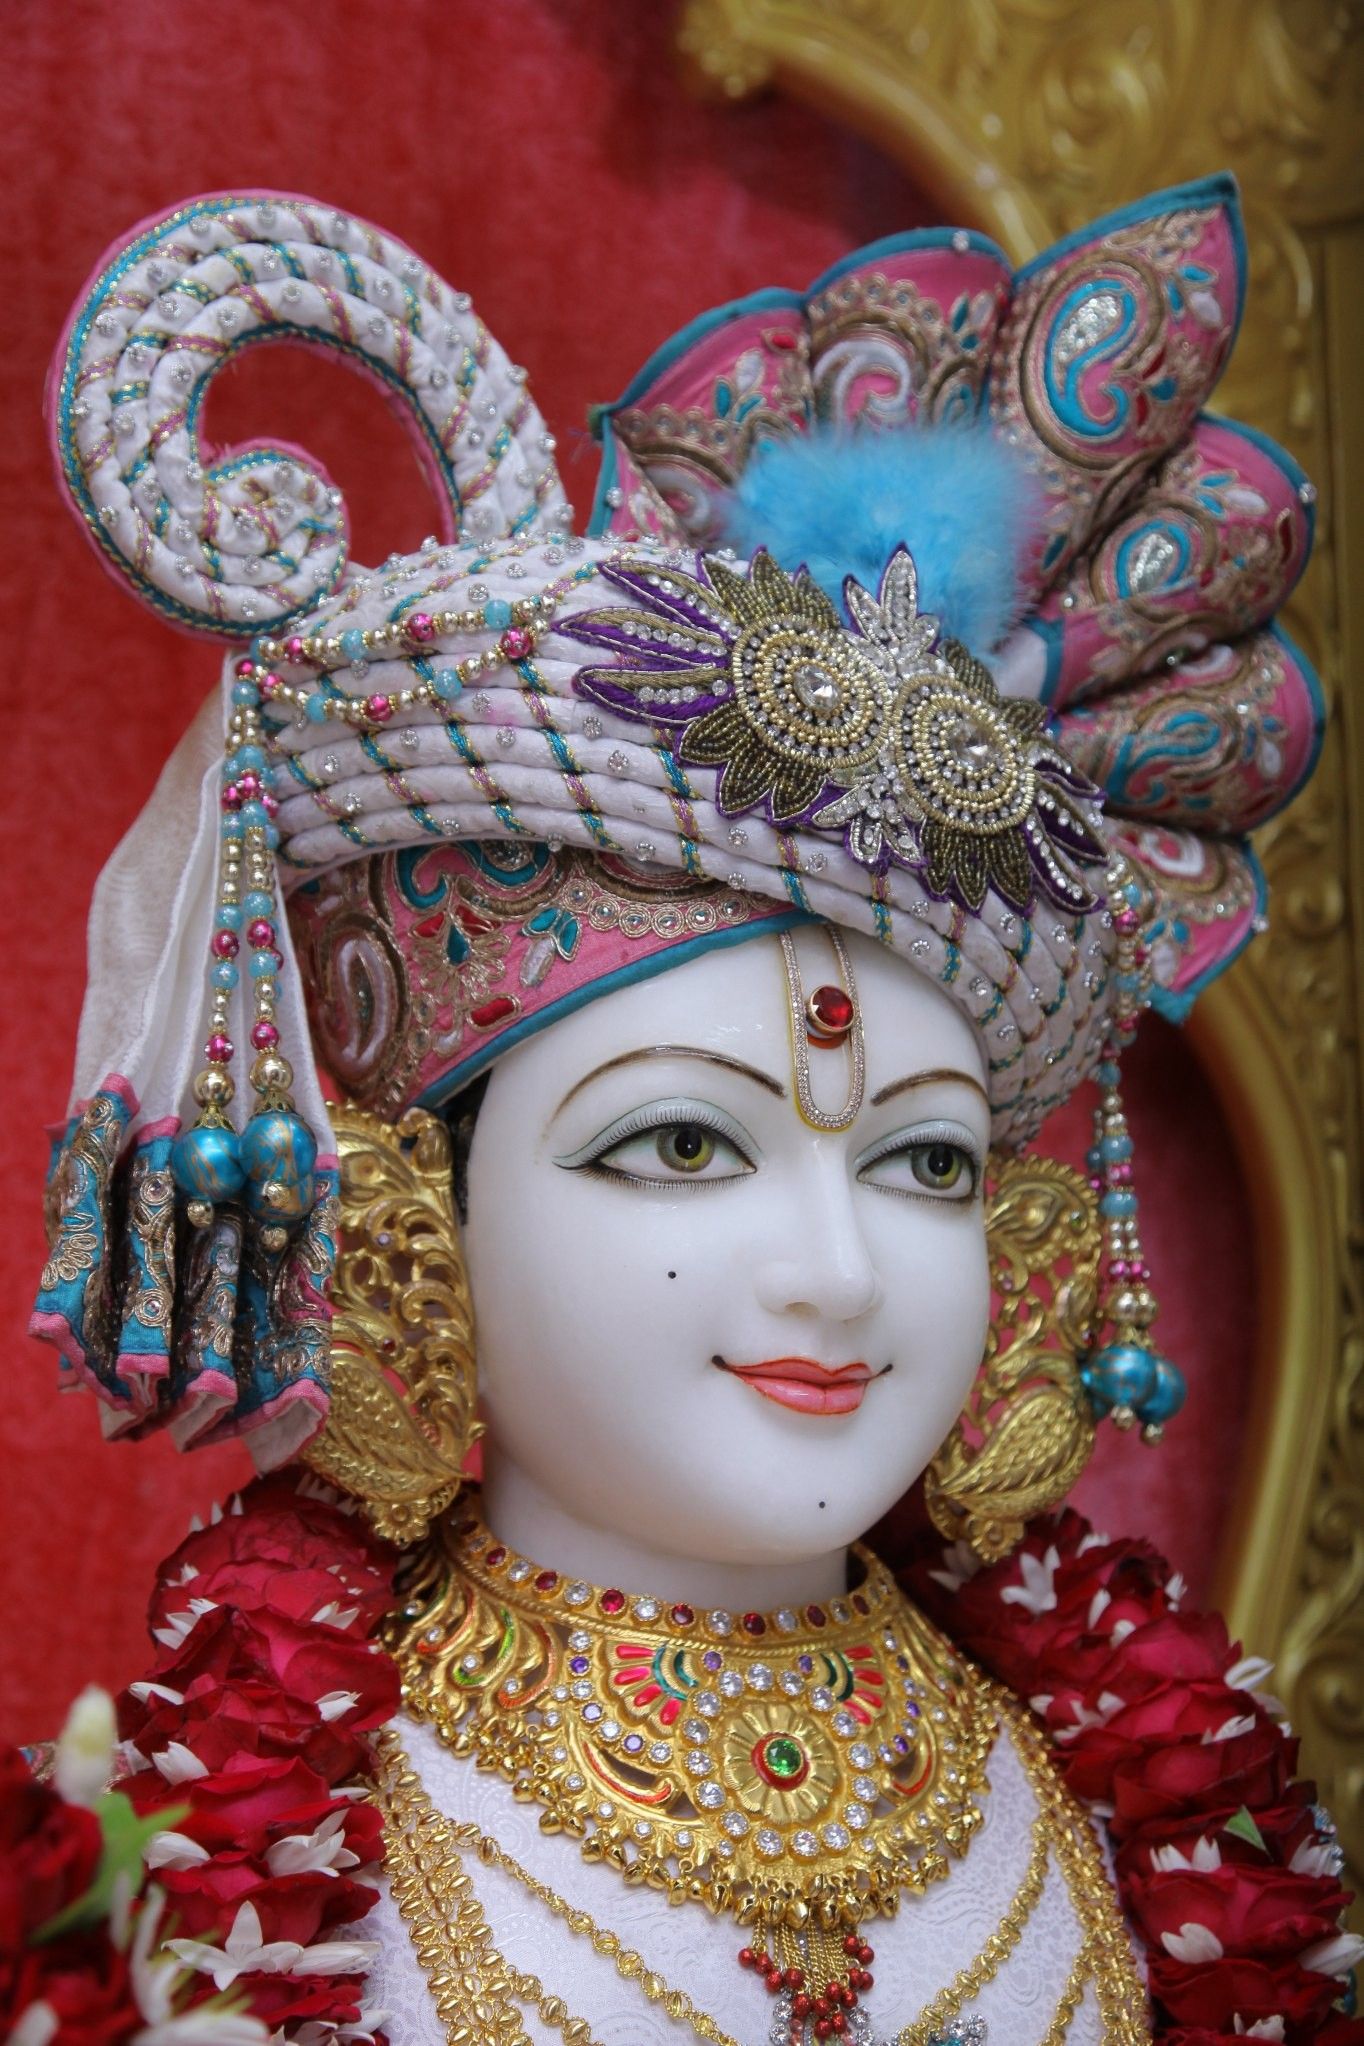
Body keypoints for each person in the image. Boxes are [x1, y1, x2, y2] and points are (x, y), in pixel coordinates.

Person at [17, 176, 1360, 2044]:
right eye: (680, 1143)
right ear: (422, 1208)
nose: (833, 1268)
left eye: (925, 1163)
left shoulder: (1135, 1797)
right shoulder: (253, 1830)